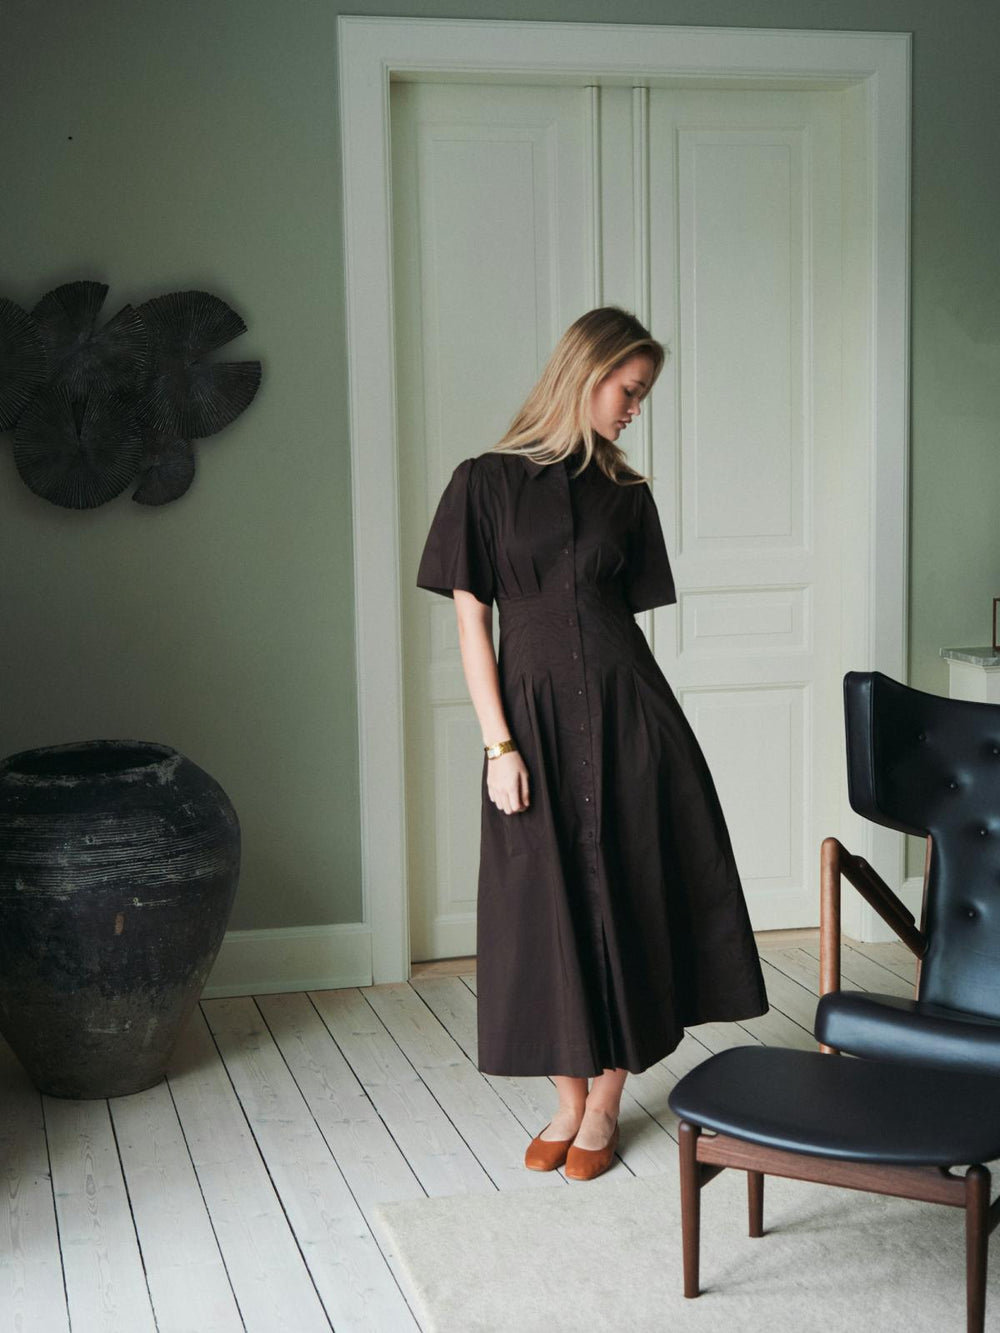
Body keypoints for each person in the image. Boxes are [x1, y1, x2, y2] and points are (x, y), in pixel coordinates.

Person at [416, 307, 767, 1182]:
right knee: (541, 906)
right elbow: (472, 625)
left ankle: (605, 1100)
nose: (635, 409)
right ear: (587, 372)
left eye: (643, 395)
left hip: (629, 717)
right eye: (630, 390)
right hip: (528, 726)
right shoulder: (483, 483)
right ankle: (566, 1099)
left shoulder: (628, 494)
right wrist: (499, 745)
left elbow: (615, 622)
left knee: (632, 897)